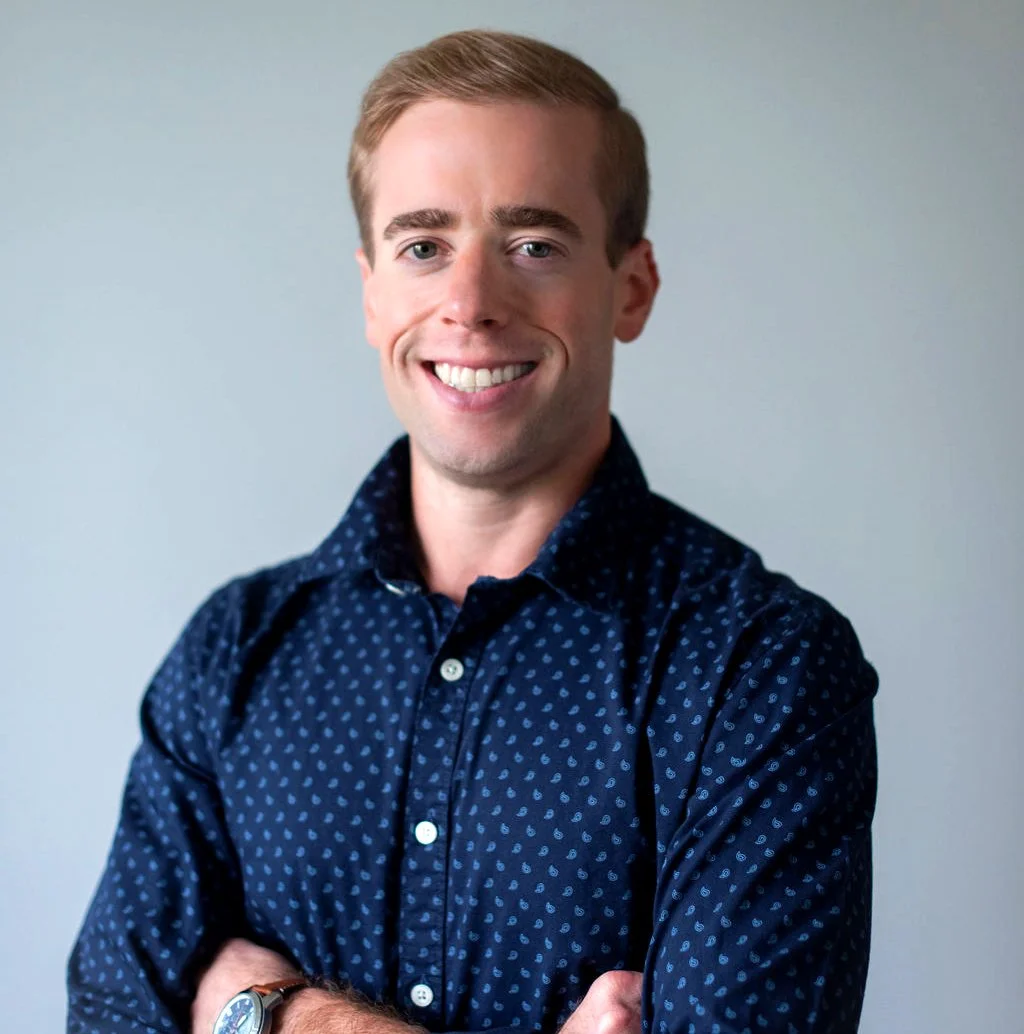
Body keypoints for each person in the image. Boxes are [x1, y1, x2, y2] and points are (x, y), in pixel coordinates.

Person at [67, 28, 878, 1034]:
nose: (470, 304)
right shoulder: (233, 651)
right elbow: (112, 1012)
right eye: (424, 246)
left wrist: (266, 1013)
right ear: (372, 290)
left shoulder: (759, 666)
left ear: (630, 287)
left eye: (533, 245)